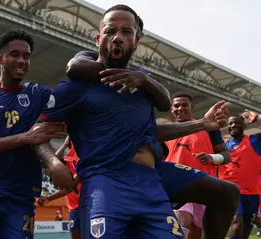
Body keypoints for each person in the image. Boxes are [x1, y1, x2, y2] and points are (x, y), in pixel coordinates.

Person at [33, 4, 238, 239]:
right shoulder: (75, 87)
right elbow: (38, 130)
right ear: (98, 38)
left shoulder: (140, 85)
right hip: (106, 177)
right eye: (110, 31)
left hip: (152, 175)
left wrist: (202, 124)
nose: (118, 38)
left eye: (126, 32)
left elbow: (150, 130)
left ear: (136, 41)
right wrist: (54, 164)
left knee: (226, 192)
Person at [0, 29, 74, 239]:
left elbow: (64, 120)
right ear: (0, 59)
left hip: (21, 194)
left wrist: (55, 162)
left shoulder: (38, 94)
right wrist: (25, 137)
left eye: (26, 56)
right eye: (14, 54)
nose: (22, 60)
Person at [158, 92, 230, 239]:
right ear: (171, 109)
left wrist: (212, 157)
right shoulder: (166, 133)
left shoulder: (208, 128)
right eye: (176, 105)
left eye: (184, 104)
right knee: (181, 224)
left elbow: (226, 156)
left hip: (204, 186)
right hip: (178, 187)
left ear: (192, 107)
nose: (180, 108)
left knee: (196, 234)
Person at [218, 110, 261, 239]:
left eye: (237, 123)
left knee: (245, 231)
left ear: (244, 126)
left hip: (252, 194)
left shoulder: (256, 140)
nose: (233, 126)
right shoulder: (222, 146)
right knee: (236, 223)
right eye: (230, 124)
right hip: (231, 191)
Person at [38, 136, 82, 239]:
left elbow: (70, 186)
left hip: (86, 205)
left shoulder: (84, 160)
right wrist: (64, 145)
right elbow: (53, 163)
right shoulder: (69, 159)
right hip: (74, 208)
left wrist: (49, 198)